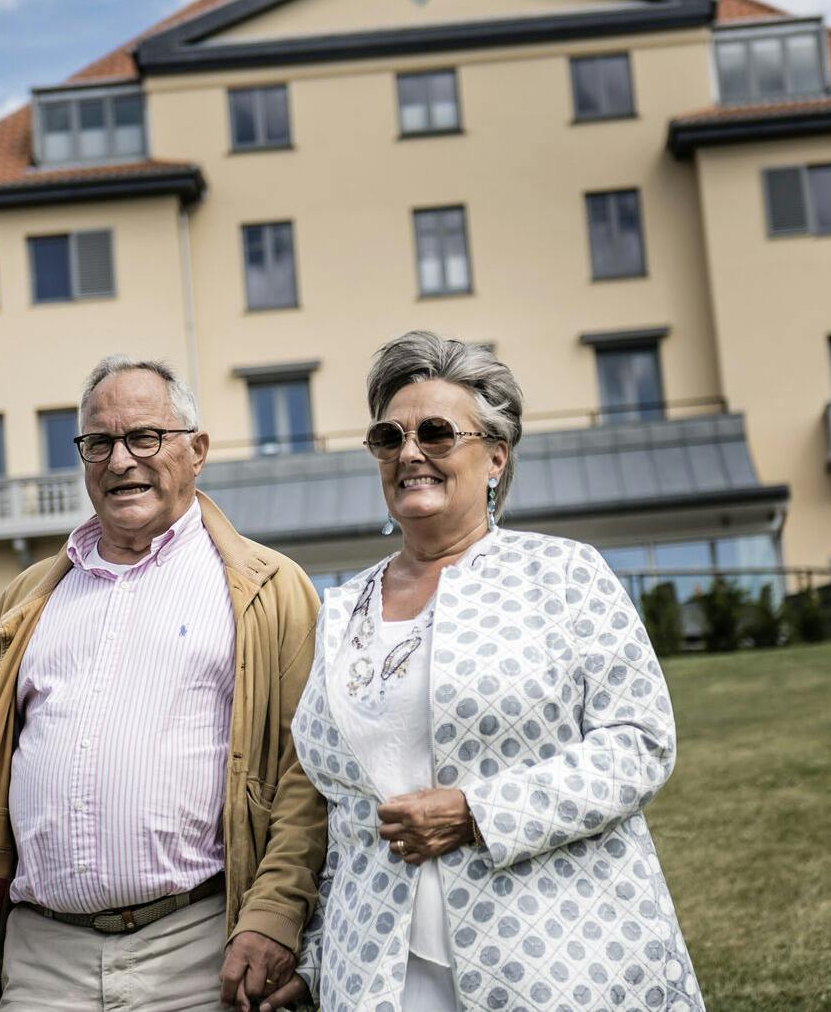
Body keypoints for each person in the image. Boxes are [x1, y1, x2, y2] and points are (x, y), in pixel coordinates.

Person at [266, 332, 705, 1011]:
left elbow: (640, 740)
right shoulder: (342, 609)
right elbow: (344, 821)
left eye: (436, 432)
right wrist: (321, 964)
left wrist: (478, 811)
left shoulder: (563, 573)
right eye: (390, 437)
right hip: (384, 975)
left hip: (560, 959)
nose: (410, 452)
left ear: (496, 455)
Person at [0, 357, 327, 1012]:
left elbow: (307, 775)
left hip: (198, 952)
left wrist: (274, 911)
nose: (119, 460)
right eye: (98, 442)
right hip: (43, 961)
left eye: (144, 437)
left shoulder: (269, 588)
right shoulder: (28, 600)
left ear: (197, 450)